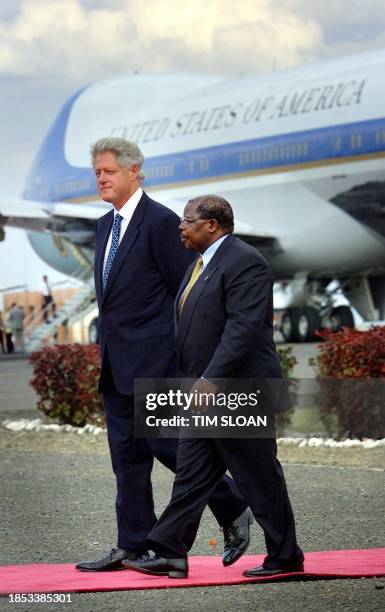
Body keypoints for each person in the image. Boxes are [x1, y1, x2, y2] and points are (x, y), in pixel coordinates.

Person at [76, 139, 251, 572]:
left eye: (108, 171)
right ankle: (132, 544)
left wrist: (190, 358)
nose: (100, 178)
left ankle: (233, 507)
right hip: (116, 367)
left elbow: (189, 292)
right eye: (96, 172)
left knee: (173, 450)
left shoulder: (161, 223)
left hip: (158, 363)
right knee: (127, 462)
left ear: (134, 171)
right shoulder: (103, 226)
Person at [124, 195, 304, 579]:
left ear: (213, 225)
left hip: (239, 390)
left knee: (258, 475)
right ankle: (171, 551)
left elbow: (243, 330)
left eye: (188, 221)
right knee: (190, 475)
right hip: (204, 393)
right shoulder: (202, 264)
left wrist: (210, 380)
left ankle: (285, 555)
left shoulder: (245, 262)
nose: (181, 227)